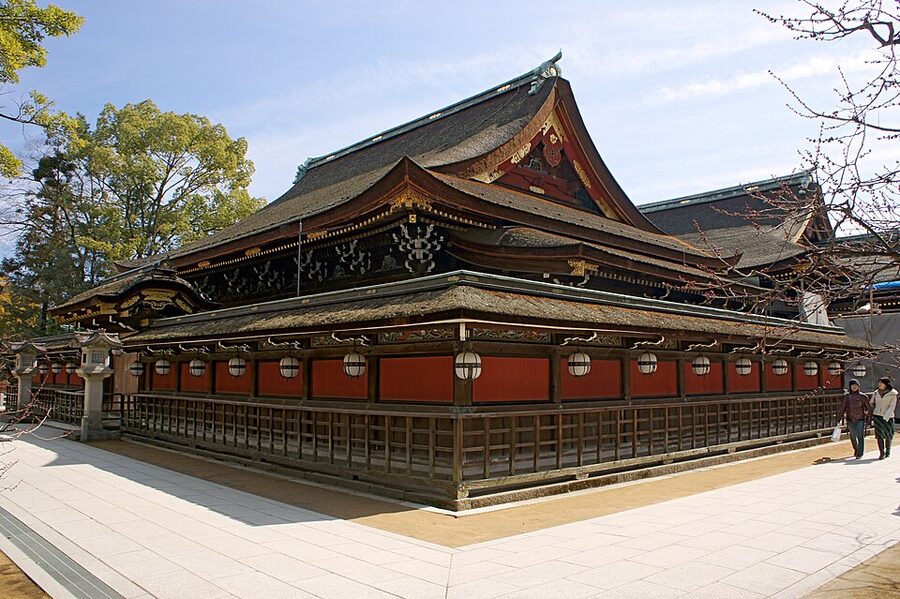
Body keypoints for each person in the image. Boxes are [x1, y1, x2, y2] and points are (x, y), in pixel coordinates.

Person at [839, 379, 872, 459]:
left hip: (860, 418)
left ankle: (860, 452)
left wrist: (869, 419)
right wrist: (838, 418)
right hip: (850, 419)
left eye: (856, 385)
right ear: (850, 386)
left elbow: (868, 408)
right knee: (853, 437)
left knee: (860, 436)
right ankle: (856, 449)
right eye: (852, 385)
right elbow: (842, 408)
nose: (854, 387)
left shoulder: (863, 396)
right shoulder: (846, 397)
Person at [871, 377, 897, 460]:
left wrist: (886, 416)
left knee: (888, 435)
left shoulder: (893, 393)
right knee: (879, 436)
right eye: (879, 383)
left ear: (886, 384)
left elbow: (892, 406)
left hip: (888, 416)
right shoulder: (876, 393)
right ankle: (881, 452)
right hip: (877, 415)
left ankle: (888, 450)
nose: (879, 385)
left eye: (881, 383)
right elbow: (872, 402)